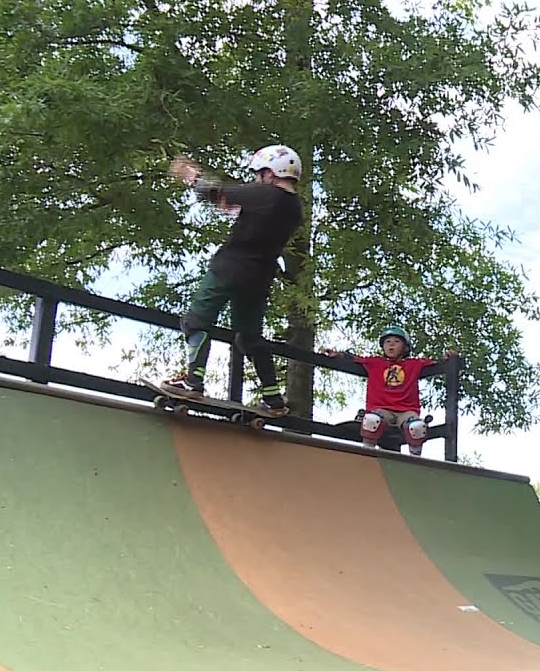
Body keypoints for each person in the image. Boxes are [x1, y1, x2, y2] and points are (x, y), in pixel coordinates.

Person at [159, 144, 304, 417]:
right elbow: (235, 206)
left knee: (196, 321)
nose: (256, 179)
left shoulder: (264, 194)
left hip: (229, 268)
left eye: (259, 174)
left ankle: (193, 382)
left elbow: (217, 192)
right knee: (249, 337)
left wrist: (192, 176)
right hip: (259, 278)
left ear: (271, 173)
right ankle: (273, 399)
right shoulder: (293, 207)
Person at [322, 325, 456, 455]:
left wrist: (448, 358)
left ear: (405, 347)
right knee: (371, 421)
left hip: (406, 411)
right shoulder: (374, 362)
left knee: (416, 427)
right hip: (381, 410)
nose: (391, 345)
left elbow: (438, 363)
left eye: (396, 342)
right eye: (387, 342)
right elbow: (352, 359)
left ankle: (415, 459)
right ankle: (367, 454)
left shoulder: (415, 364)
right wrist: (337, 355)